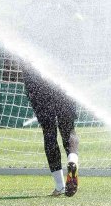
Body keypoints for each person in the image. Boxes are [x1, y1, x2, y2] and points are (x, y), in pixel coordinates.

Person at [22, 66, 79, 197]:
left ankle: (60, 186)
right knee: (69, 130)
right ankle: (73, 159)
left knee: (49, 133)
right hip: (63, 85)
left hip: (37, 88)